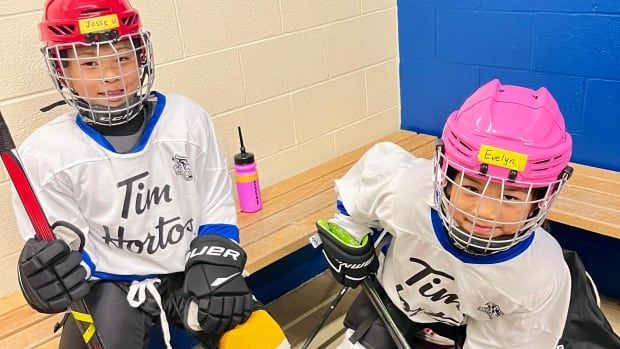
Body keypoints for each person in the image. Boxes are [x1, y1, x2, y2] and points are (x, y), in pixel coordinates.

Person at [12, 1, 261, 348]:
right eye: (89, 63)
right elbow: (66, 248)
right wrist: (50, 275)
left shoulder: (187, 119)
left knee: (260, 337)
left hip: (188, 267)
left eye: (122, 58)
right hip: (111, 285)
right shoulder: (46, 152)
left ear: (141, 56)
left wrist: (217, 254)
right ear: (62, 69)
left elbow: (215, 203)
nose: (110, 75)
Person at [317, 79, 619, 348]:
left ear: (539, 200)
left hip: (479, 326)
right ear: (446, 175)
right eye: (473, 187)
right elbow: (360, 196)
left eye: (511, 196)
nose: (484, 212)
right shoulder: (405, 191)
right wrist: (350, 229)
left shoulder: (539, 277)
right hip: (397, 303)